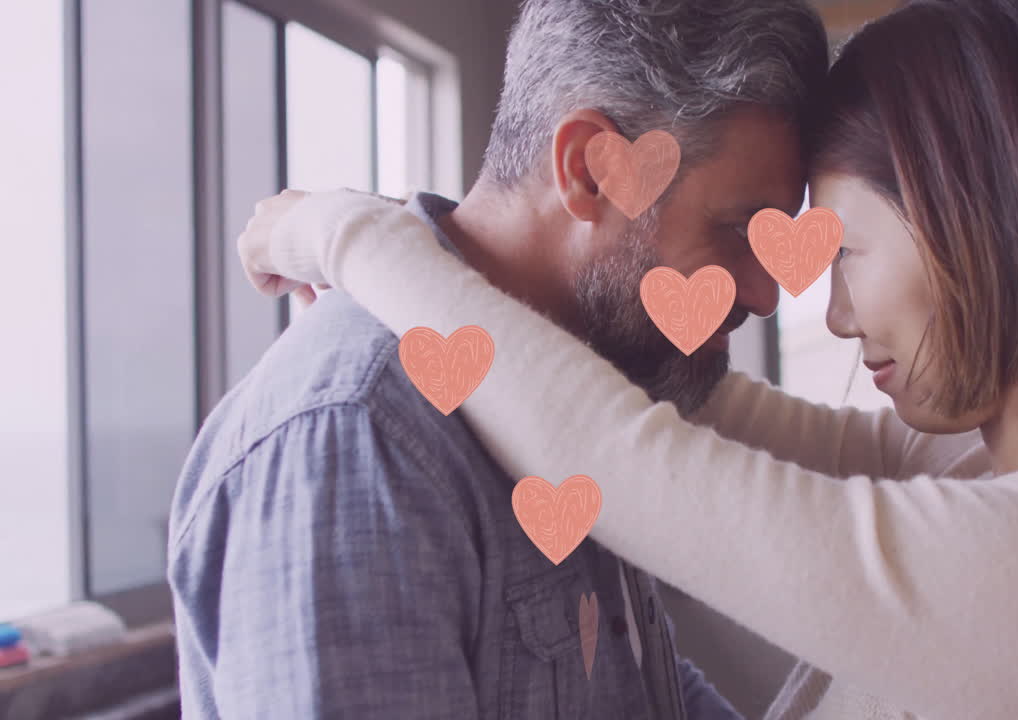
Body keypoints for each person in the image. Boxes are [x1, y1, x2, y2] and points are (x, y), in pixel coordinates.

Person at [237, 0, 1018, 718]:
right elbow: (696, 416)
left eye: (836, 253)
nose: (816, 312)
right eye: (742, 235)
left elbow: (628, 464)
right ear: (589, 168)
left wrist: (347, 237)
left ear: (972, 228)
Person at [166, 1, 832, 718]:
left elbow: (636, 687)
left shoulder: (589, 390)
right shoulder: (359, 435)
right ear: (591, 171)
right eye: (737, 228)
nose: (768, 293)